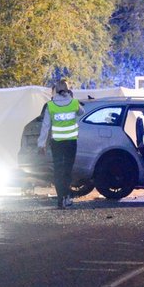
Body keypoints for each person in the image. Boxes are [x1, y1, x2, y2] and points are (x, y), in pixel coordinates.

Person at [37, 79, 84, 209]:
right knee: (67, 170)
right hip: (71, 142)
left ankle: (60, 198)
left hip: (57, 143)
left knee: (58, 171)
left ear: (55, 90)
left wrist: (41, 145)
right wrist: (72, 97)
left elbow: (45, 127)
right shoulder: (74, 103)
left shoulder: (50, 106)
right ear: (68, 90)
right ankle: (66, 197)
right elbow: (82, 112)